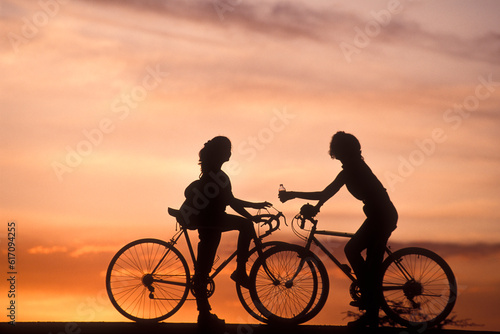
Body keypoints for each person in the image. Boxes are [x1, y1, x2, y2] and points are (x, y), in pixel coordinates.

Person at [279, 131, 398, 328]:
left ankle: (370, 303)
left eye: (338, 149)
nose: (335, 152)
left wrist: (292, 194)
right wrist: (316, 208)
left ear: (342, 150)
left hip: (382, 216)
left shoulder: (353, 169)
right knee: (365, 262)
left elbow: (325, 192)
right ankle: (370, 311)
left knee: (356, 253)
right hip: (378, 215)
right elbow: (327, 194)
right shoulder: (351, 168)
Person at [179, 136, 271, 328]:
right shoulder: (218, 176)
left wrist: (253, 210)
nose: (230, 153)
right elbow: (232, 202)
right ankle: (239, 272)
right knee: (204, 270)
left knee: (203, 269)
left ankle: (204, 314)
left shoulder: (213, 174)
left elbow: (231, 200)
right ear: (220, 153)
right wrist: (252, 214)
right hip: (211, 223)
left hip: (211, 222)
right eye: (228, 149)